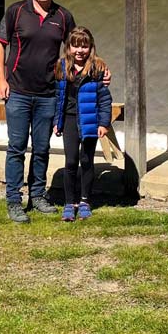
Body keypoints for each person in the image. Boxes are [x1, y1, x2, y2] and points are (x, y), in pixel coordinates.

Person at [0, 0, 107, 222]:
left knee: (42, 148)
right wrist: (1, 79)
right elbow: (0, 46)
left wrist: (99, 68)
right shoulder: (16, 12)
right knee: (17, 148)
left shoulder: (63, 16)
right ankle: (14, 201)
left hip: (48, 95)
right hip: (18, 91)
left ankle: (37, 196)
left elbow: (78, 47)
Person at [53, 28, 111, 221]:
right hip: (69, 119)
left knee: (86, 161)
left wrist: (104, 123)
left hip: (89, 122)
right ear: (68, 47)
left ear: (90, 47)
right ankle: (70, 202)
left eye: (84, 46)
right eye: (75, 45)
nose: (79, 50)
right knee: (70, 162)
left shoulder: (97, 68)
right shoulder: (62, 67)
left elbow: (104, 99)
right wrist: (56, 121)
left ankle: (85, 201)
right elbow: (58, 97)